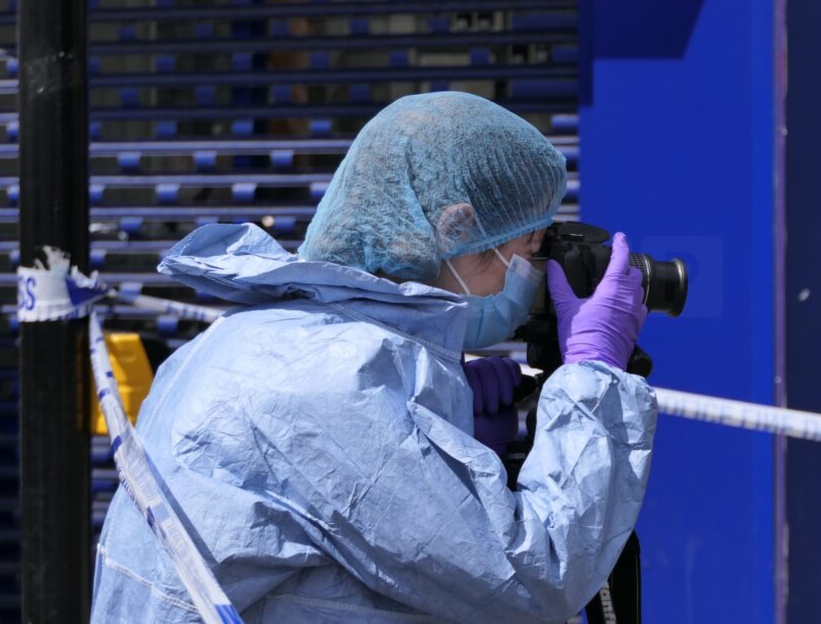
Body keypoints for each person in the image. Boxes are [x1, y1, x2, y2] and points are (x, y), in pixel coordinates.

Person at [91, 92, 657, 623]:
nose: (534, 277)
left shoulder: (262, 338)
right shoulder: (334, 386)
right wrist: (595, 374)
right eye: (530, 249)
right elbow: (540, 575)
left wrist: (447, 433)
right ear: (457, 226)